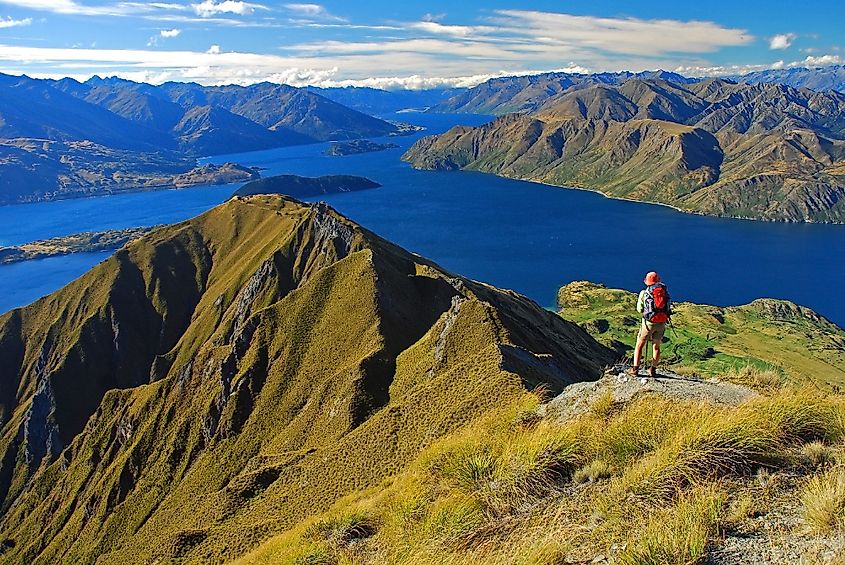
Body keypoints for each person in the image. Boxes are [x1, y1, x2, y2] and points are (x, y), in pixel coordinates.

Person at [629, 271, 671, 378]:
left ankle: (635, 370)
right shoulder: (664, 292)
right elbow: (668, 308)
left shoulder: (644, 292)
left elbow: (639, 309)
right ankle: (652, 370)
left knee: (639, 345)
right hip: (661, 323)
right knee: (656, 347)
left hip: (648, 323)